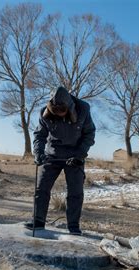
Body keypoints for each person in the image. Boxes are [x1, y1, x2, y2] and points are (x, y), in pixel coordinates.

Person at [25, 86, 96, 235]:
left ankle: (73, 226)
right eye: (54, 111)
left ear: (69, 107)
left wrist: (80, 155)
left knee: (75, 192)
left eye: (61, 111)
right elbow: (39, 135)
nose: (58, 114)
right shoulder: (43, 113)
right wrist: (38, 153)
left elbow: (89, 134)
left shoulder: (83, 109)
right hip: (52, 154)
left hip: (75, 155)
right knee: (41, 187)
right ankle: (38, 221)